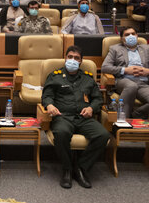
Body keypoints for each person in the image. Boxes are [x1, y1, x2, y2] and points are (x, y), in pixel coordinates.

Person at [42, 45, 110, 189]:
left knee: (103, 135)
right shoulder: (55, 76)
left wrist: (92, 108)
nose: (72, 60)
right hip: (63, 116)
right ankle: (67, 169)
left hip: (84, 118)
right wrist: (50, 106)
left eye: (76, 58)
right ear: (65, 58)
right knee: (61, 133)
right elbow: (47, 96)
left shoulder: (88, 78)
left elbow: (98, 99)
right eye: (70, 57)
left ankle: (80, 168)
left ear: (81, 61)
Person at [101, 27, 149, 118]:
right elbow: (105, 67)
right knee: (131, 86)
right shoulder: (115, 49)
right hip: (124, 80)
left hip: (143, 83)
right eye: (127, 35)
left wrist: (148, 71)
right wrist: (125, 70)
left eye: (133, 34)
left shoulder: (148, 49)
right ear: (121, 38)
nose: (131, 36)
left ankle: (135, 115)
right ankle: (122, 120)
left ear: (137, 36)